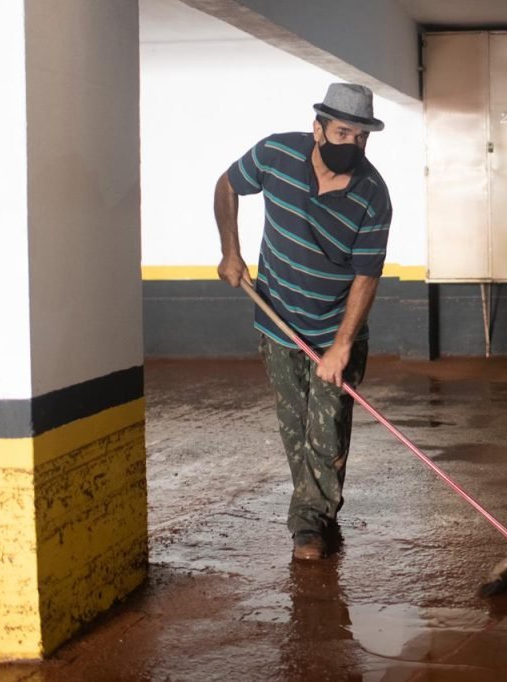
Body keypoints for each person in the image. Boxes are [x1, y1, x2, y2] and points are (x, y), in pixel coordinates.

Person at [213, 83, 391, 561]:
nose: (351, 144)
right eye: (341, 132)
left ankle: (310, 523)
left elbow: (366, 277)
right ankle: (311, 512)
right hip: (277, 324)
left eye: (361, 137)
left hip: (335, 330)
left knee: (327, 428)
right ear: (317, 129)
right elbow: (228, 185)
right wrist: (231, 249)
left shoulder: (372, 196)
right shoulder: (275, 154)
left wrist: (341, 346)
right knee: (295, 427)